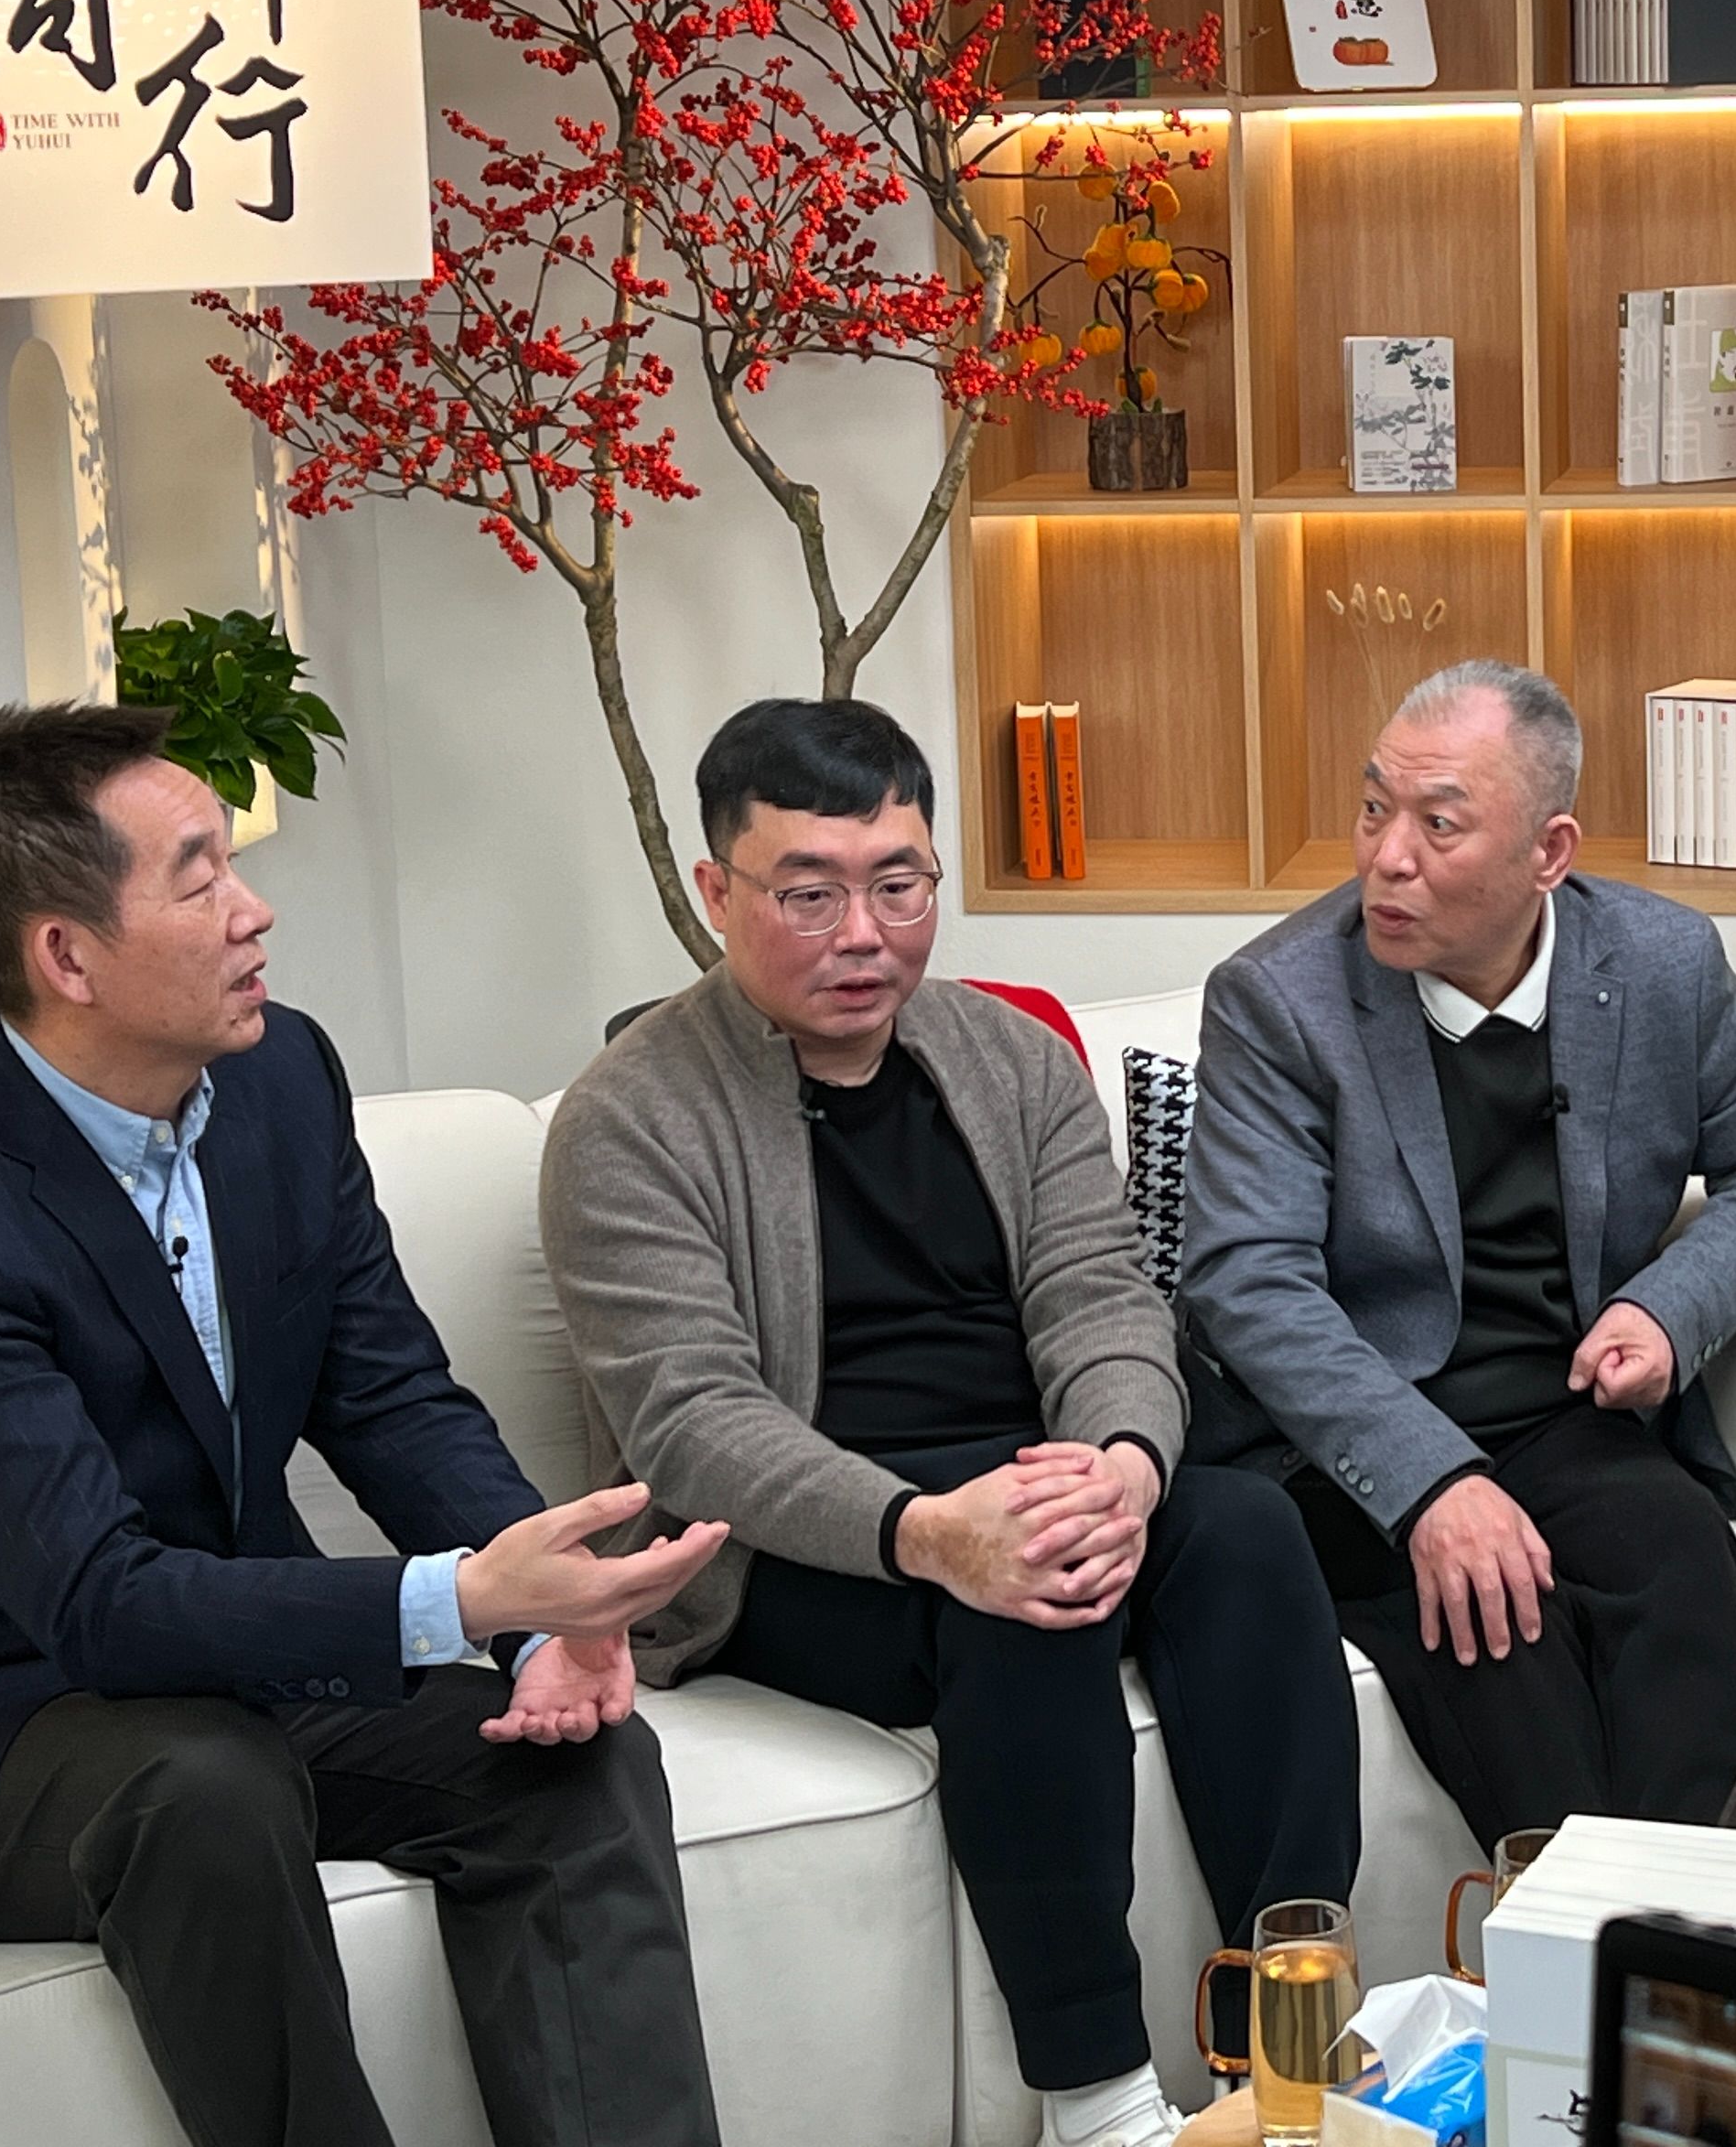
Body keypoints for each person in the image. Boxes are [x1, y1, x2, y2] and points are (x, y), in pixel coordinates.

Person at [0, 701, 728, 2147]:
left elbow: (385, 1391)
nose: (254, 911)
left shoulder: (279, 1082)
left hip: (223, 1673)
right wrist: (462, 1597)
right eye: (198, 877)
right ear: (66, 956)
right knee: (205, 1787)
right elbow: (98, 1602)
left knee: (574, 1762)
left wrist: (541, 1614)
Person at [540, 698, 1359, 2147]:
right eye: (808, 894)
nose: (865, 934)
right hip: (789, 1546)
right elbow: (692, 1420)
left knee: (1243, 1528)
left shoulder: (1010, 1058)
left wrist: (1123, 1464)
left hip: (1024, 1472)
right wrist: (930, 1533)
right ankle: (1098, 2097)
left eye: (900, 884)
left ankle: (1288, 2049)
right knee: (1022, 1598)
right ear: (715, 889)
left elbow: (1103, 1298)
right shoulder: (630, 1118)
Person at [1181, 659, 1736, 1847]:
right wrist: (1432, 1486)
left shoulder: (1661, 964)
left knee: (1680, 1558)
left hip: (1563, 1416)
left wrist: (1669, 1310)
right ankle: (1584, 1945)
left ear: (1550, 852)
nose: (1388, 858)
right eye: (1374, 808)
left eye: (1439, 825)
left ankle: (1701, 1944)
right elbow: (1247, 1281)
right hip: (1342, 1449)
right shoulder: (1279, 1003)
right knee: (1501, 1632)